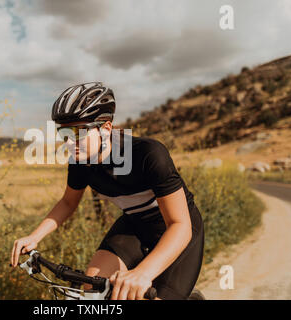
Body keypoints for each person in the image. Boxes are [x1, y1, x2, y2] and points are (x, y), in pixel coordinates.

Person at [11, 82, 204, 300]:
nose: (70, 142)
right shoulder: (79, 161)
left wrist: (142, 273)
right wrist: (34, 236)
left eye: (79, 132)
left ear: (106, 128)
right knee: (92, 292)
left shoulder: (149, 155)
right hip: (134, 225)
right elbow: (68, 202)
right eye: (64, 133)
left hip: (176, 228)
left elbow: (180, 225)